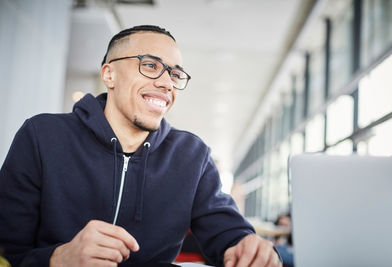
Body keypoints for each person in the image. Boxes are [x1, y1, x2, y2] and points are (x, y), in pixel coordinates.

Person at [0, 25, 282, 267]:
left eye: (174, 74)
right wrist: (58, 259)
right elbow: (7, 249)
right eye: (150, 65)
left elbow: (229, 233)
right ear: (109, 74)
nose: (166, 83)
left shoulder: (192, 156)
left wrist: (250, 248)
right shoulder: (42, 135)